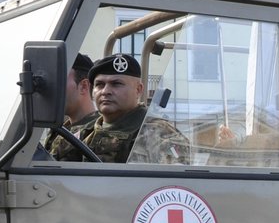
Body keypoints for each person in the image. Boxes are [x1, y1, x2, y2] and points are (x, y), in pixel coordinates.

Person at [60, 53, 190, 166]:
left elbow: (171, 186)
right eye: (99, 84)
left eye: (116, 84)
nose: (105, 91)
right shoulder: (84, 133)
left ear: (138, 90)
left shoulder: (159, 133)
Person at [46, 52, 95, 161]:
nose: (52, 88)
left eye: (59, 81)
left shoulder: (96, 133)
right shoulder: (59, 129)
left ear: (83, 86)